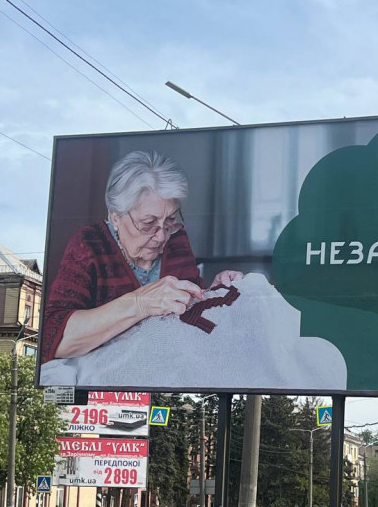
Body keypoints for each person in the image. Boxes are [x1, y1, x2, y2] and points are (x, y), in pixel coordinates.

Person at [42, 150, 243, 362]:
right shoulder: (89, 244)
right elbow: (53, 339)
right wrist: (140, 304)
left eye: (170, 221)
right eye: (148, 223)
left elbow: (189, 313)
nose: (162, 236)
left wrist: (213, 293)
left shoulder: (177, 240)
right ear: (116, 218)